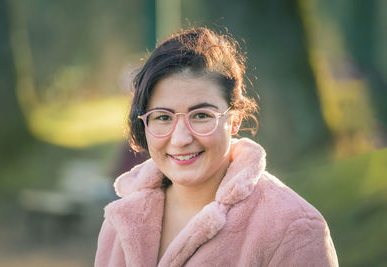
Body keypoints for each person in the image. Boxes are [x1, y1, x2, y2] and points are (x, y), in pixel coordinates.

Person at [95, 27, 338, 267]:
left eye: (201, 116)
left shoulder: (292, 228)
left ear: (235, 119)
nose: (180, 139)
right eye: (163, 117)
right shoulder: (122, 220)